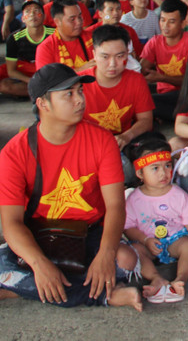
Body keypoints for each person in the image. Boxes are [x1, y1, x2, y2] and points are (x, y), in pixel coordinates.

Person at [0, 63, 142, 309]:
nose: (80, 100)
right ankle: (102, 295)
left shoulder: (102, 139)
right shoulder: (14, 152)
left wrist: (106, 253)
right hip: (41, 234)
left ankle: (26, 290)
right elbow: (11, 223)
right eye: (69, 94)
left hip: (89, 232)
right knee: (5, 264)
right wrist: (39, 264)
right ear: (43, 104)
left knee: (125, 261)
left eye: (80, 91)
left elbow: (116, 206)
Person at [123, 137, 188, 304]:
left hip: (175, 241)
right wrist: (145, 240)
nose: (163, 173)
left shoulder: (179, 195)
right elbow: (128, 228)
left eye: (167, 166)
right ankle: (155, 278)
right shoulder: (133, 199)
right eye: (155, 168)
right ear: (140, 173)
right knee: (135, 250)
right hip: (147, 243)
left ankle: (180, 279)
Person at [82, 25, 154, 152]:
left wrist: (126, 136)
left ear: (128, 54)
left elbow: (146, 120)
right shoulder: (79, 84)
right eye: (105, 57)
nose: (113, 64)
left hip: (124, 141)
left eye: (119, 56)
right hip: (88, 144)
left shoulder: (136, 80)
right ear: (94, 54)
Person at [140, 0, 188, 123]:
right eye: (162, 20)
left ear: (183, 23)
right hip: (165, 94)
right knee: (141, 100)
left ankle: (184, 117)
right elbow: (141, 70)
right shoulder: (154, 42)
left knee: (149, 102)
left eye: (171, 21)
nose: (165, 26)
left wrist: (162, 78)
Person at [1, 0, 54, 98]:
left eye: (36, 10)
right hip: (26, 71)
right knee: (4, 85)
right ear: (23, 18)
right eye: (28, 11)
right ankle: (44, 91)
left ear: (44, 16)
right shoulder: (14, 38)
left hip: (48, 70)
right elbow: (11, 71)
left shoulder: (55, 34)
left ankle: (41, 91)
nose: (32, 14)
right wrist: (31, 81)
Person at [34, 0, 94, 71]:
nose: (79, 22)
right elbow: (47, 78)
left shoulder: (92, 37)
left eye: (80, 17)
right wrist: (80, 70)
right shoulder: (46, 48)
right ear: (57, 22)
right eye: (72, 19)